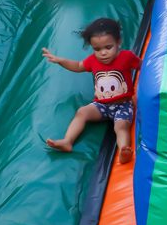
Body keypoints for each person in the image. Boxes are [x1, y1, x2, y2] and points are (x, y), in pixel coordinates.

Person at [43, 18, 141, 164]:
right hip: (101, 105)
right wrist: (60, 60)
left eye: (108, 47)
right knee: (82, 112)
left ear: (118, 42)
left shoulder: (126, 57)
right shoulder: (92, 61)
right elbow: (77, 66)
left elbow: (144, 66)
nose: (103, 53)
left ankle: (123, 150)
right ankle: (67, 141)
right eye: (97, 49)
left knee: (121, 126)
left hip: (123, 105)